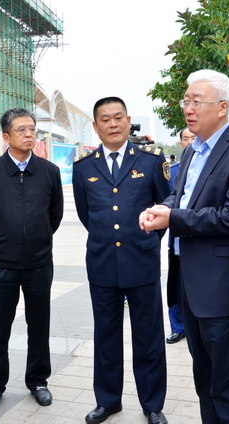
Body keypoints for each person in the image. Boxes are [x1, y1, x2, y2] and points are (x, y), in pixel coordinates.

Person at [140, 69, 229, 424]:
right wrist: (165, 208)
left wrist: (175, 218)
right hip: (190, 287)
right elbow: (184, 198)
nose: (188, 108)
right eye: (186, 100)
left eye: (197, 101)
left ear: (223, 107)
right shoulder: (193, 151)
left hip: (224, 291)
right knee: (206, 383)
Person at [73, 96, 171, 424]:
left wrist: (143, 240)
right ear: (95, 126)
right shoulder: (83, 166)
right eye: (106, 119)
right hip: (102, 265)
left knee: (149, 337)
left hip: (141, 263)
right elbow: (89, 216)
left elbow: (163, 209)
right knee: (106, 337)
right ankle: (108, 400)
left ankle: (152, 403)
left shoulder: (150, 160)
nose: (113, 124)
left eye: (118, 118)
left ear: (128, 120)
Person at [0, 108, 63, 411]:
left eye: (32, 129)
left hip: (40, 263)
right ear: (6, 136)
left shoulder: (49, 172)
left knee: (39, 325)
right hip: (3, 265)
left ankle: (38, 380)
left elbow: (55, 215)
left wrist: (38, 239)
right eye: (22, 130)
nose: (29, 135)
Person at [165, 127, 195, 345]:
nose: (189, 141)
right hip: (174, 238)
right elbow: (167, 196)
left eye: (193, 138)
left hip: (196, 237)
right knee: (174, 284)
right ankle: (177, 327)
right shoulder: (173, 170)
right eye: (185, 138)